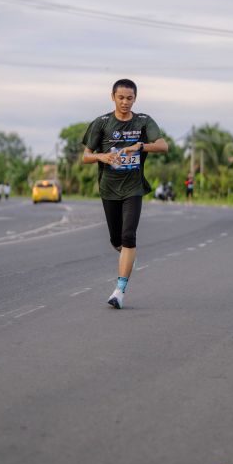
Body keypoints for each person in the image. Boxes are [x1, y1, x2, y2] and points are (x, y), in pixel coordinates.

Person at [82, 78, 168, 309]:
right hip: (109, 188)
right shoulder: (101, 123)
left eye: (129, 98)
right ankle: (127, 256)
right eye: (120, 97)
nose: (125, 102)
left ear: (135, 98)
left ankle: (119, 291)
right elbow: (85, 156)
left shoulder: (143, 121)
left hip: (133, 187)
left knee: (129, 236)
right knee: (117, 240)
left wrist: (139, 146)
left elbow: (163, 146)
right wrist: (102, 156)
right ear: (113, 97)